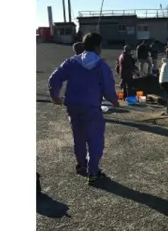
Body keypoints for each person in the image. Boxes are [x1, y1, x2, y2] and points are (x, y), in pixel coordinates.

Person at [48, 32, 120, 185]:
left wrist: (55, 95)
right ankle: (93, 172)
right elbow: (108, 87)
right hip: (91, 108)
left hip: (73, 106)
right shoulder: (101, 65)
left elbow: (55, 77)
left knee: (78, 138)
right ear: (97, 46)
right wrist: (114, 101)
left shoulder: (72, 61)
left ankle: (81, 165)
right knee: (95, 140)